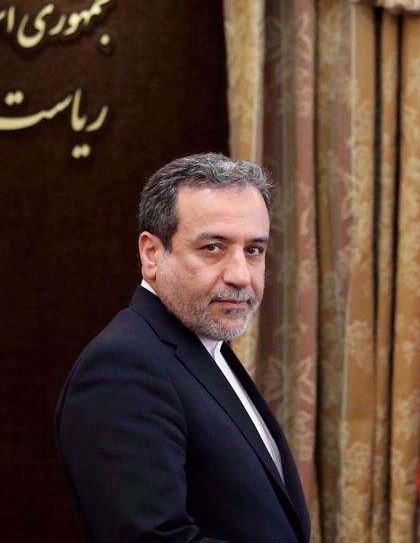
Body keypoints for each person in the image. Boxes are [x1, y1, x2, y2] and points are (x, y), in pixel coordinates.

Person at [55, 153, 310, 542]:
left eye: (254, 250)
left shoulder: (206, 343)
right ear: (152, 254)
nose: (240, 275)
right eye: (213, 247)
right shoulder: (123, 367)